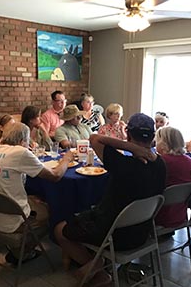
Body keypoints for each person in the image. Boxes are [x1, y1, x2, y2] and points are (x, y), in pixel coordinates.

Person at [54, 113, 166, 286]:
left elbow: (94, 138)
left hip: (114, 236)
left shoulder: (123, 164)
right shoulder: (160, 164)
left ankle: (97, 266)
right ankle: (98, 263)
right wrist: (137, 149)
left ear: (128, 135)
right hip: (143, 233)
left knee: (60, 229)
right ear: (153, 135)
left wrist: (131, 148)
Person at [0, 122, 73, 262]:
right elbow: (55, 176)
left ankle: (18, 250)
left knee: (35, 198)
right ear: (23, 141)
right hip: (14, 222)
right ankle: (25, 250)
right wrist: (66, 159)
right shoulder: (19, 152)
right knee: (53, 207)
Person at [154, 126, 191, 228]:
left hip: (159, 215)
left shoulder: (161, 161)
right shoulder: (189, 161)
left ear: (163, 143)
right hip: (179, 214)